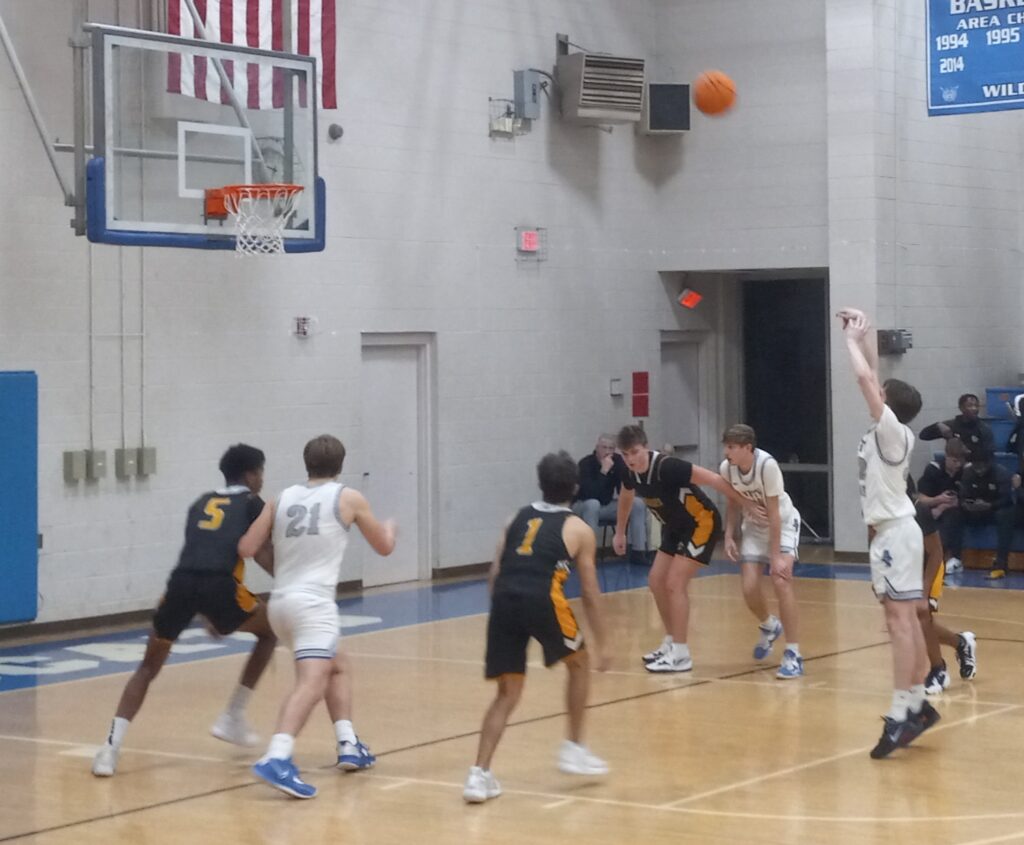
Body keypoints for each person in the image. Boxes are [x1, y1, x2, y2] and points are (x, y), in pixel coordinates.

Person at [92, 444, 278, 777]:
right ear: (251, 474)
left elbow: (199, 554)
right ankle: (232, 715)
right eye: (261, 472)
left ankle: (109, 749)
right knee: (270, 631)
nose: (262, 478)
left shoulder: (200, 503)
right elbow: (262, 554)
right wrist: (294, 581)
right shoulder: (253, 504)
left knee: (147, 668)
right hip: (221, 586)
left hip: (180, 585)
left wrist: (203, 612)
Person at [240, 434, 396, 799]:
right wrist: (390, 529)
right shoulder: (348, 497)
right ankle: (277, 756)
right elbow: (384, 547)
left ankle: (348, 744)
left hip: (280, 603)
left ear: (305, 463)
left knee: (336, 665)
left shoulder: (281, 498)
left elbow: (247, 547)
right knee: (311, 681)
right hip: (313, 606)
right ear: (341, 466)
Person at [464, 451, 610, 804]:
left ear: (540, 484)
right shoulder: (578, 528)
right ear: (574, 487)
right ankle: (573, 747)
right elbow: (589, 590)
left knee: (506, 693)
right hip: (542, 598)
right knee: (580, 663)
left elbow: (495, 572)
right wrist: (604, 641)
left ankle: (478, 775)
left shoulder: (515, 517)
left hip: (504, 602)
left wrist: (500, 615)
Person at [837, 307, 939, 759]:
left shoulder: (892, 431)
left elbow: (865, 380)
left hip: (896, 532)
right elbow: (874, 374)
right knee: (906, 619)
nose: (875, 389)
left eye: (882, 394)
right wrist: (864, 326)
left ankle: (901, 712)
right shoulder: (891, 428)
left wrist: (848, 345)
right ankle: (917, 705)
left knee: (899, 622)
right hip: (892, 533)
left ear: (889, 406)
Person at [613, 424, 763, 673]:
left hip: (701, 523)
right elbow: (626, 496)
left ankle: (681, 654)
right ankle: (671, 641)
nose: (630, 459)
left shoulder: (667, 467)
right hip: (674, 527)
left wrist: (745, 502)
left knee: (674, 583)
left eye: (635, 452)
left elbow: (714, 479)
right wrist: (620, 531)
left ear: (646, 447)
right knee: (655, 581)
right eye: (625, 454)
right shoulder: (629, 473)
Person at [720, 424, 804, 679]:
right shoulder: (727, 468)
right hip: (755, 530)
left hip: (783, 525)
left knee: (781, 581)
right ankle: (769, 625)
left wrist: (777, 555)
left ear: (748, 448)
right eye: (726, 446)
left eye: (732, 447)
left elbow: (775, 514)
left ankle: (793, 653)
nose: (727, 452)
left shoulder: (767, 466)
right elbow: (732, 501)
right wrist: (728, 534)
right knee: (749, 588)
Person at [907, 477, 978, 693]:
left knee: (923, 615)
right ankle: (961, 643)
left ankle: (938, 670)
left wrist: (924, 591)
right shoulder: (879, 508)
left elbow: (936, 552)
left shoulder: (919, 511)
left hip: (931, 563)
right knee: (916, 623)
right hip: (908, 566)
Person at [573, 434, 648, 565]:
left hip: (606, 506)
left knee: (637, 503)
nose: (607, 452)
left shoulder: (618, 461)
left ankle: (638, 552)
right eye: (604, 447)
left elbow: (624, 491)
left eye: (611, 448)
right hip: (583, 506)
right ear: (597, 448)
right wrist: (604, 471)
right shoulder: (586, 463)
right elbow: (590, 494)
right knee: (593, 504)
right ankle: (589, 556)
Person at [947, 448, 1016, 580]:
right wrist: (966, 505)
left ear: (989, 463)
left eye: (982, 466)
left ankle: (1001, 563)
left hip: (993, 511)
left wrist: (990, 505)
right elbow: (962, 496)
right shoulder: (967, 473)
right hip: (974, 512)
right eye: (976, 466)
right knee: (954, 513)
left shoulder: (1001, 474)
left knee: (1006, 515)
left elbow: (1007, 500)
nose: (979, 470)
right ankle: (955, 558)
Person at [915, 438, 967, 574]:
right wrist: (938, 500)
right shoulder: (933, 469)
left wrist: (944, 506)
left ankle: (948, 558)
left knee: (954, 514)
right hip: (932, 505)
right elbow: (921, 498)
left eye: (960, 461)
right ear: (947, 457)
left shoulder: (965, 472)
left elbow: (967, 498)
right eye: (955, 461)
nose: (958, 465)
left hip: (954, 510)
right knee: (920, 511)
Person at [919, 393, 994, 461]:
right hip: (953, 467)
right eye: (970, 405)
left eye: (976, 406)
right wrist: (937, 425)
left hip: (974, 467)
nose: (974, 409)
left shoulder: (983, 428)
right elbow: (923, 435)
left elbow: (988, 455)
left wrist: (968, 452)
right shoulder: (952, 424)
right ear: (961, 408)